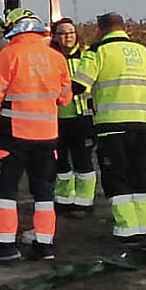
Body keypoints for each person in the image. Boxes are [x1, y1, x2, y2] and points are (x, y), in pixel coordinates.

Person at [0, 8, 73, 263]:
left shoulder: (9, 55)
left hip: (14, 136)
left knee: (7, 193)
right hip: (47, 137)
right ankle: (45, 245)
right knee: (44, 193)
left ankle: (5, 247)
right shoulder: (56, 58)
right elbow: (65, 98)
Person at [72, 12, 146, 246]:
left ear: (101, 30)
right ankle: (141, 228)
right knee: (139, 177)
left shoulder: (97, 52)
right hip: (141, 123)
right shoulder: (141, 50)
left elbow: (79, 85)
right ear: (123, 27)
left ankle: (126, 230)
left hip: (112, 126)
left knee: (116, 178)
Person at [50, 19, 97, 216]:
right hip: (56, 118)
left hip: (82, 117)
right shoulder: (49, 57)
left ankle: (84, 203)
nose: (68, 36)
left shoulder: (87, 56)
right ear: (55, 36)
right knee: (60, 163)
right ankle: (63, 200)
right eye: (62, 33)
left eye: (70, 32)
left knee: (83, 162)